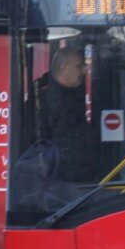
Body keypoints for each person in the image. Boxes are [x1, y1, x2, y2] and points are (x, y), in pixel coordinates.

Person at [35, 47, 96, 182]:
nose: (84, 70)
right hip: (60, 181)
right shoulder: (44, 100)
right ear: (64, 67)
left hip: (84, 178)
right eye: (79, 65)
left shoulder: (74, 94)